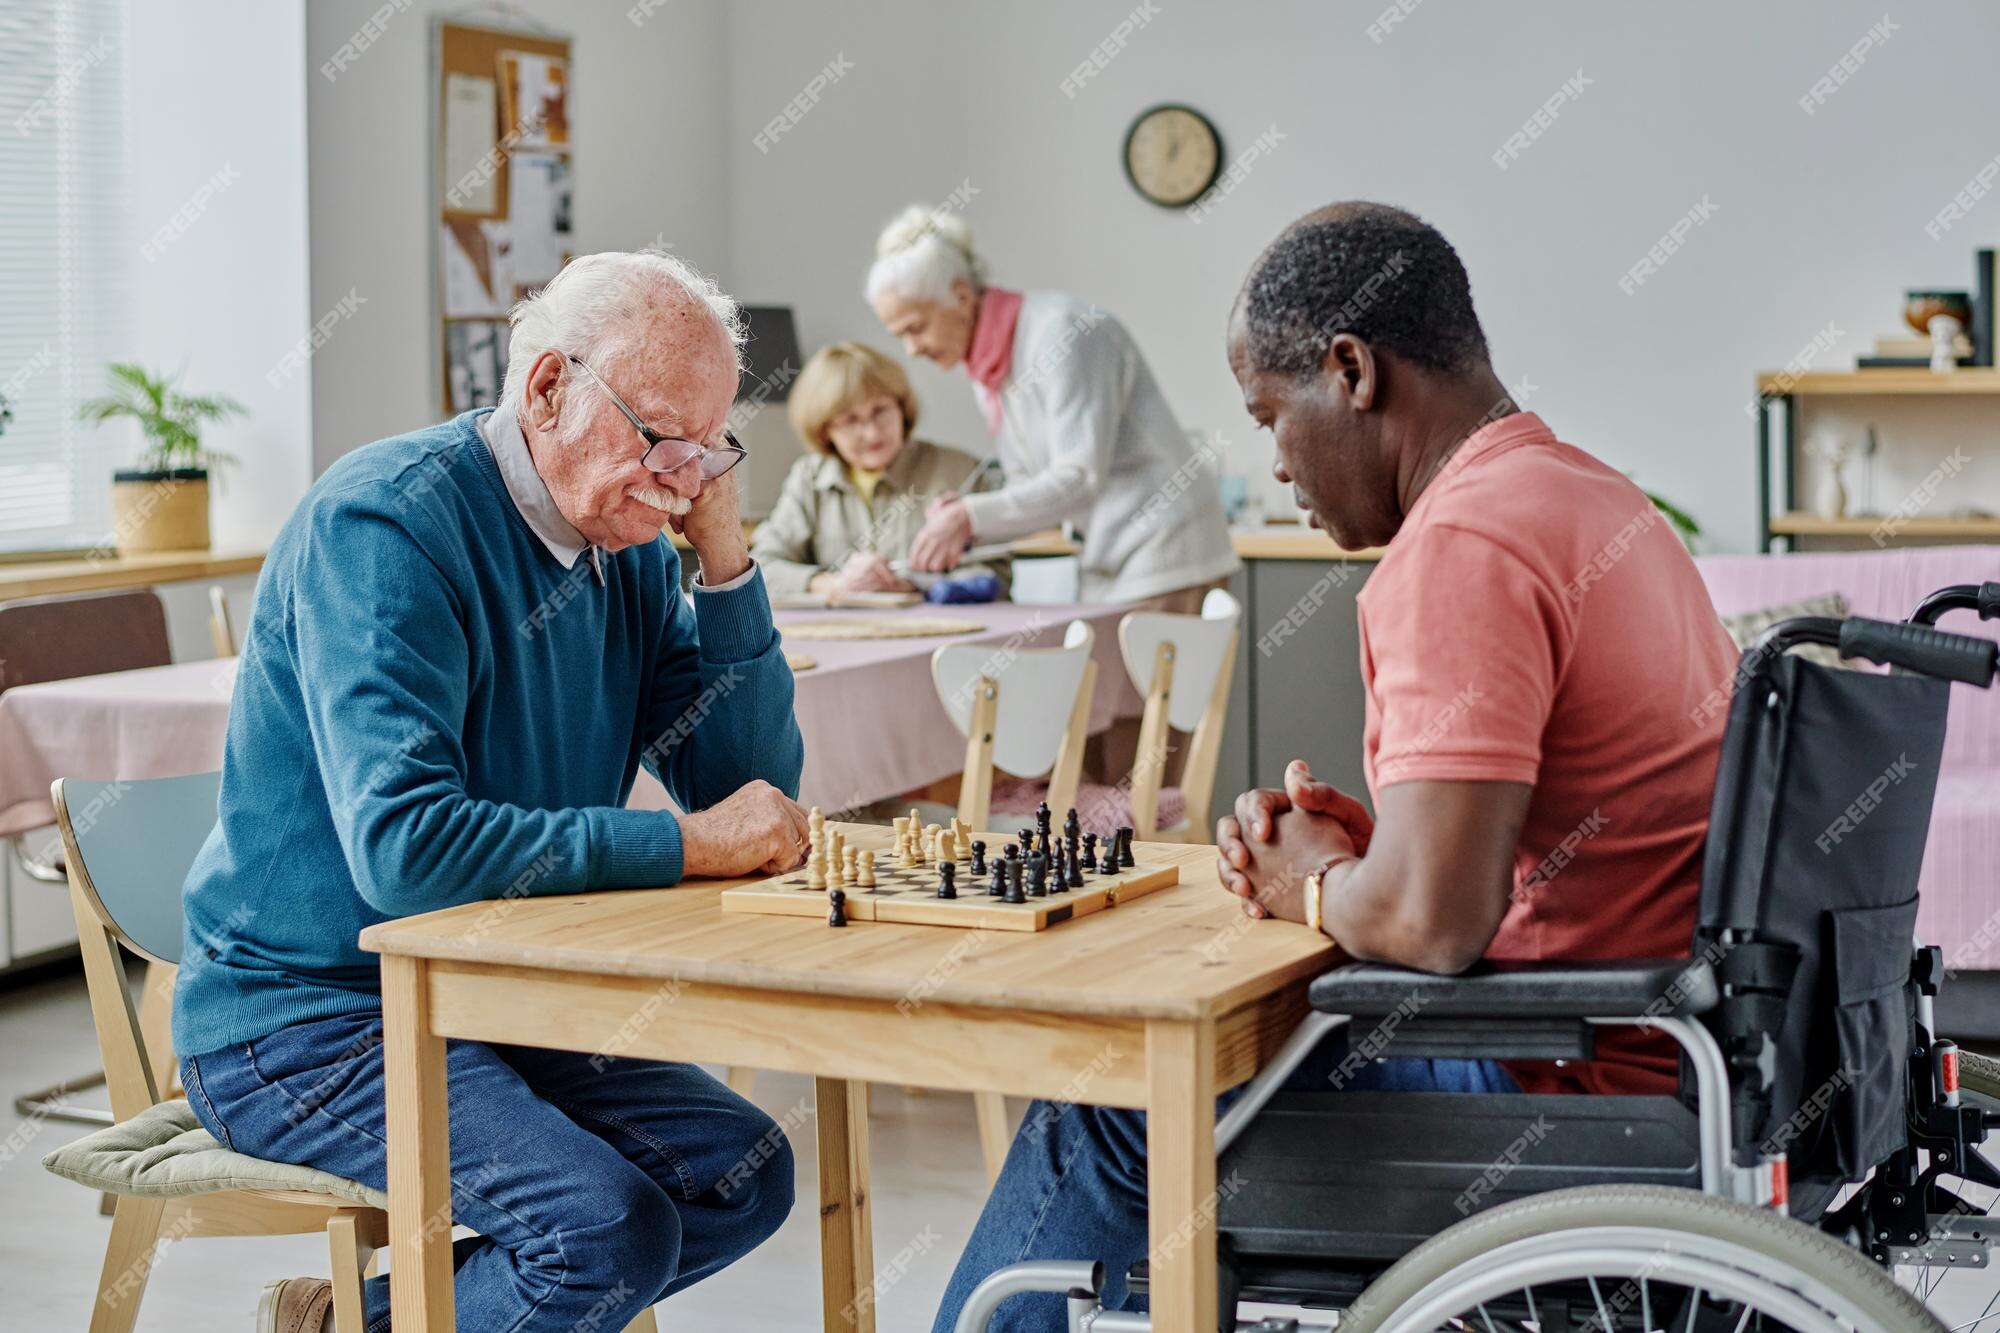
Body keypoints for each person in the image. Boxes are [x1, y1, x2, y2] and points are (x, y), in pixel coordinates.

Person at [930, 203, 1741, 1331]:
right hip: (1679, 1061)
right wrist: (1365, 848)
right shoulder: (1598, 501)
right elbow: (1560, 825)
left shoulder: (1457, 544)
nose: (1273, 463)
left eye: (1270, 414)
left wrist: (1309, 886)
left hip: (1556, 1090)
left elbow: (1430, 926)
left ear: (1350, 371)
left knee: (1109, 1108)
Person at [174, 251, 811, 1333]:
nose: (680, 474)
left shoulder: (638, 549)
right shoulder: (385, 527)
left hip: (495, 989)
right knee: (603, 1230)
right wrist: (687, 847)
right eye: (659, 434)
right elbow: (407, 851)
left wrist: (725, 559)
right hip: (309, 1015)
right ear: (547, 387)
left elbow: (741, 790)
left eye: (706, 447)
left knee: (740, 1171)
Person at [866, 205, 1238, 612]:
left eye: (915, 328)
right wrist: (965, 523)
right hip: (1112, 556)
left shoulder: (1060, 333)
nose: (912, 349)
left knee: (1139, 676)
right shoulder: (990, 372)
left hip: (1166, 547)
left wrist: (971, 516)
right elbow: (1034, 487)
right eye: (899, 335)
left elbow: (1078, 477)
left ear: (960, 296)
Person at [750, 340, 1009, 598]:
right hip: (841, 634)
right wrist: (832, 585)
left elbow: (997, 576)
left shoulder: (961, 470)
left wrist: (914, 586)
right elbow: (763, 569)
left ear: (902, 408)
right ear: (825, 429)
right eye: (851, 420)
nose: (872, 433)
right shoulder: (809, 477)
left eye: (881, 411)